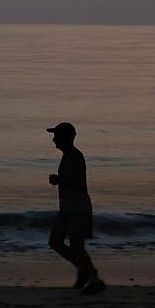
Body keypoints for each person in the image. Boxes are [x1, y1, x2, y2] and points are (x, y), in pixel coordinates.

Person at [46, 122, 106, 294]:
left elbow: (79, 183)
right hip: (67, 209)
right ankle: (85, 271)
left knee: (77, 247)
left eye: (56, 136)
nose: (54, 140)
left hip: (78, 209)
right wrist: (60, 179)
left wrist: (59, 180)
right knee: (55, 242)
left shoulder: (75, 156)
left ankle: (93, 277)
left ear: (66, 138)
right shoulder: (68, 156)